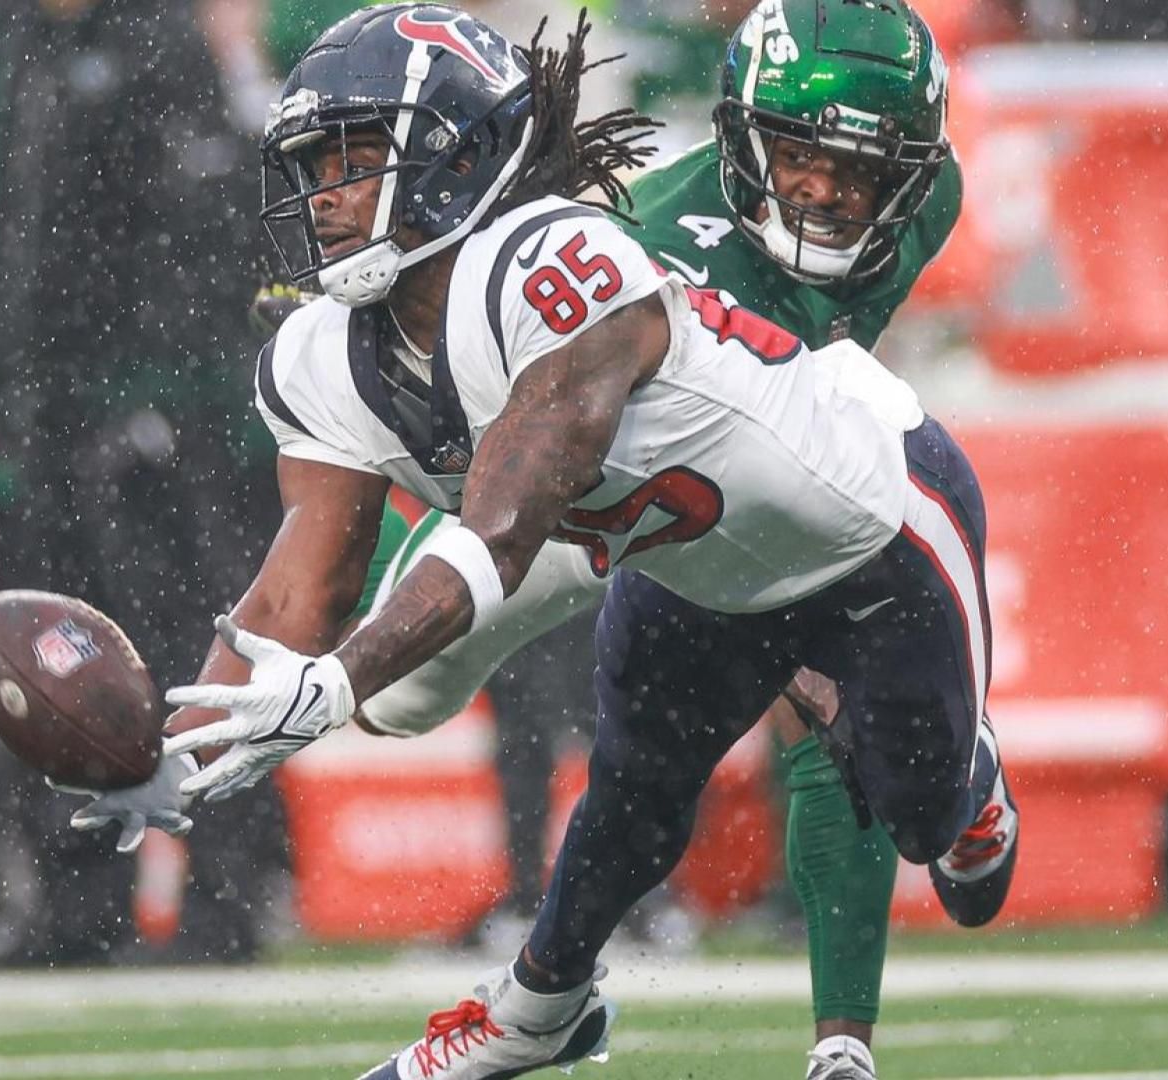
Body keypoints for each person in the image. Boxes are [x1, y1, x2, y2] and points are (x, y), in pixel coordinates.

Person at [65, 6, 1017, 1077]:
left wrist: (329, 685)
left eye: (358, 158)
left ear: (452, 160)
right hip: (669, 535)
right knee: (622, 783)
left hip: (873, 507)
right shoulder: (316, 355)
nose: (324, 197)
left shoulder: (552, 263)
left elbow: (502, 531)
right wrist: (169, 763)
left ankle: (966, 782)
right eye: (314, 164)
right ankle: (534, 1016)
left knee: (931, 818)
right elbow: (297, 594)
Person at [358, 1, 968, 1072]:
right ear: (739, 142)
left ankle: (839, 1038)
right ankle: (541, 985)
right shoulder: (648, 240)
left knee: (850, 717)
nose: (824, 192)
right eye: (796, 159)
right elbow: (545, 418)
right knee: (397, 693)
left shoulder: (931, 198)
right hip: (594, 478)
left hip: (758, 479)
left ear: (910, 172)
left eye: (861, 172)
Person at [0, 0, 280, 966]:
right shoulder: (25, 47)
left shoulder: (161, 43)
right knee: (59, 665)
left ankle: (225, 904)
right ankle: (76, 909)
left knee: (195, 652)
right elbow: (18, 236)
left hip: (156, 414)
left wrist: (157, 392)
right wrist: (5, 380)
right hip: (55, 409)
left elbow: (201, 228)